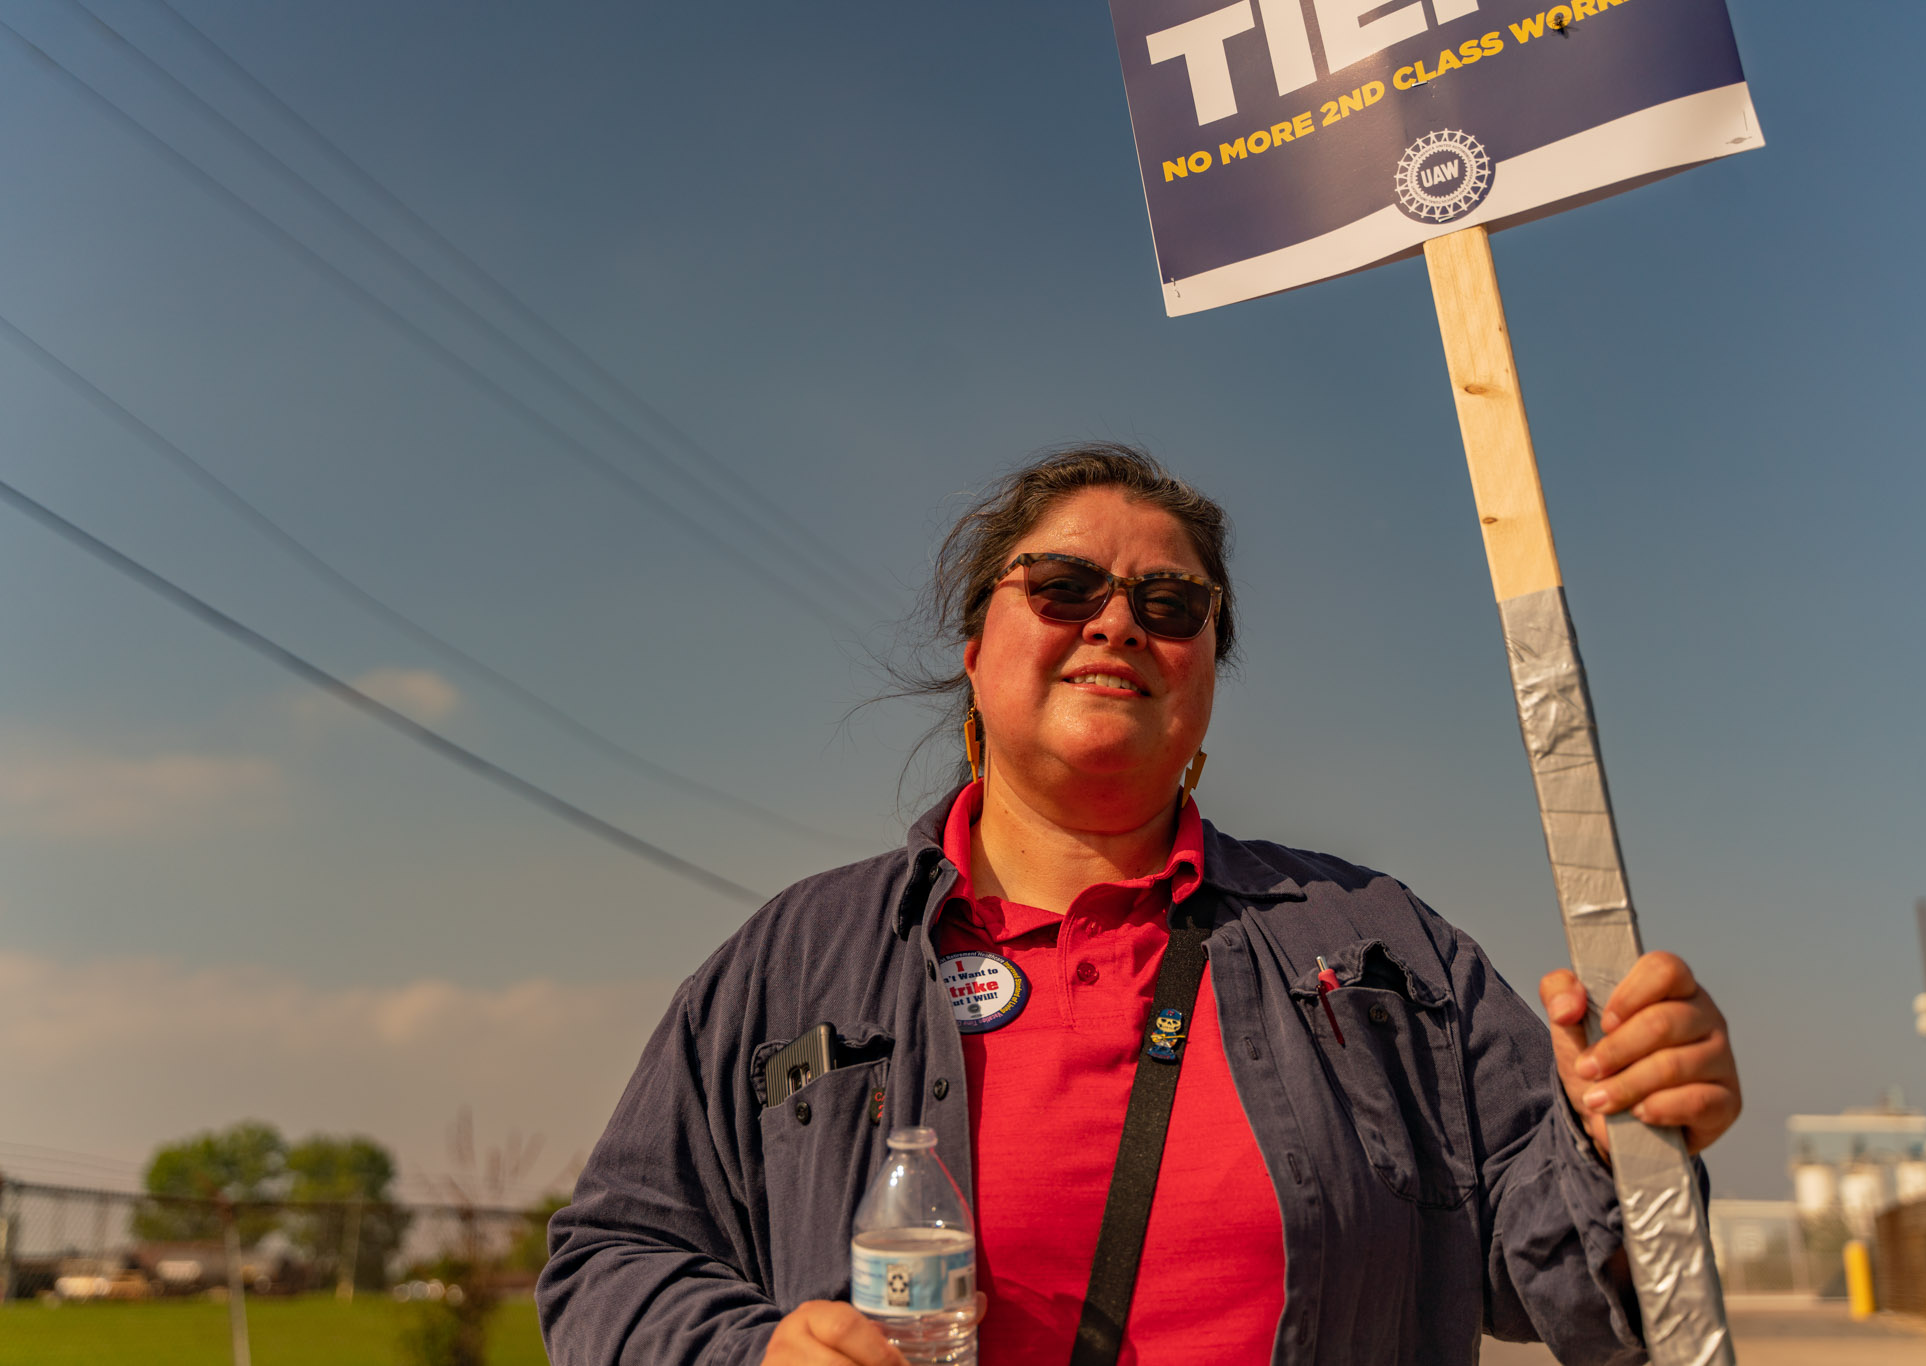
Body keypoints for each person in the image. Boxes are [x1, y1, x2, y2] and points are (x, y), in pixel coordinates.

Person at [538, 445, 1740, 1366]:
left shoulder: (1376, 943)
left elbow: (1570, 1289)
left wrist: (1619, 1132)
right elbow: (608, 1258)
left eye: (1171, 605)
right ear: (974, 646)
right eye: (1062, 585)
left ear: (1207, 665)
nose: (1116, 620)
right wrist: (751, 1354)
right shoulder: (796, 960)